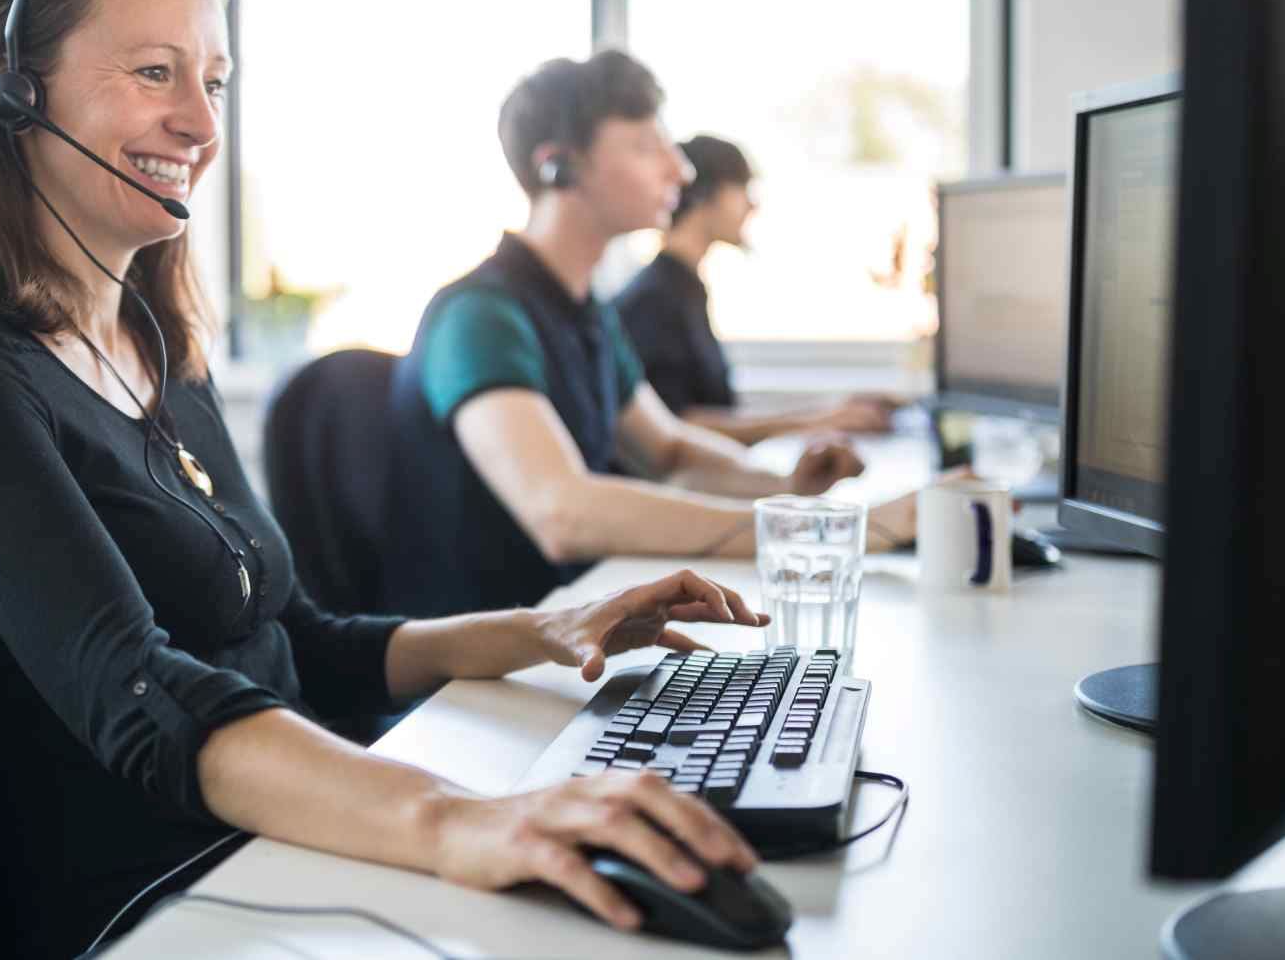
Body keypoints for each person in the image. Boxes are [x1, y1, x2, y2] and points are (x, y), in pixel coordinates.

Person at [0, 0, 770, 957]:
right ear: (15, 92)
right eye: (155, 72)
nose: (200, 122)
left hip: (286, 835)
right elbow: (137, 693)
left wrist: (547, 629)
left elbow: (302, 640)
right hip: (174, 896)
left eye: (215, 81)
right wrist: (456, 819)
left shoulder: (155, 344)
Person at [381, 53, 920, 620]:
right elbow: (561, 512)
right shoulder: (480, 317)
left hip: (575, 628)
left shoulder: (584, 312)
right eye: (645, 146)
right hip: (475, 682)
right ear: (557, 167)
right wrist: (822, 531)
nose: (680, 171)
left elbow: (668, 449)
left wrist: (785, 485)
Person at [614, 134, 902, 445]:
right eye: (742, 188)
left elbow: (713, 411)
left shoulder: (685, 288)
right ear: (705, 195)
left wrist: (828, 413)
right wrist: (820, 421)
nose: (752, 204)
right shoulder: (654, 300)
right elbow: (675, 424)